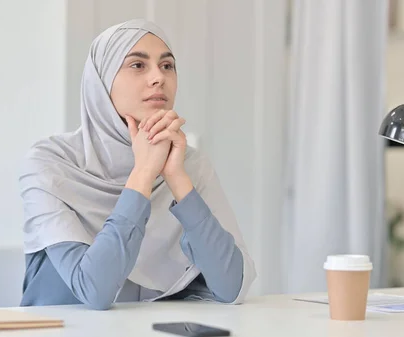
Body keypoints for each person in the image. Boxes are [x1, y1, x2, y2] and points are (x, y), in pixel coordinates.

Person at [17, 19, 256, 310]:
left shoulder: (188, 163)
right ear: (102, 81)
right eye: (137, 65)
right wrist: (143, 173)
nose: (158, 78)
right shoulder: (51, 162)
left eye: (167, 66)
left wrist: (176, 178)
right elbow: (94, 291)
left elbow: (231, 287)